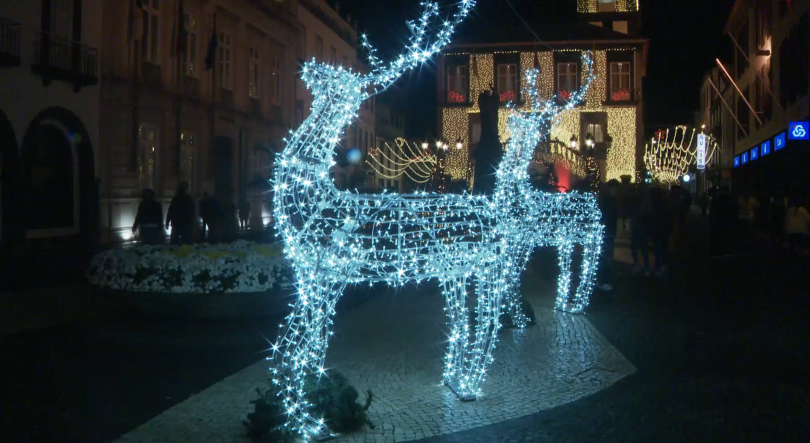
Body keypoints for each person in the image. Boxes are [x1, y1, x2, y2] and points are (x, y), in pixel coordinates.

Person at [596, 179, 620, 290]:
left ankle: (606, 281)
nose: (614, 190)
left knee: (606, 256)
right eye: (613, 188)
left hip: (608, 231)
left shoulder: (611, 200)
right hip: (605, 231)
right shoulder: (608, 201)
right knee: (605, 256)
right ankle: (604, 281)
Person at [630, 184, 653, 276]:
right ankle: (645, 267)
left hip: (640, 226)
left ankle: (638, 265)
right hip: (642, 226)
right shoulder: (646, 203)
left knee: (637, 247)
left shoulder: (636, 202)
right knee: (643, 248)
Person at [651, 187, 675, 276]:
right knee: (663, 248)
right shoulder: (666, 203)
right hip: (663, 229)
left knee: (658, 249)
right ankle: (663, 266)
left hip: (658, 229)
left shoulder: (655, 204)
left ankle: (660, 266)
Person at [166, 181, 196, 245]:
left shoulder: (176, 198)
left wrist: (168, 221)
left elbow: (171, 211)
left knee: (175, 242)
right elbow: (192, 212)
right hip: (184, 223)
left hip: (178, 223)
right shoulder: (188, 198)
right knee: (186, 241)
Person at [710, 186, 737, 256]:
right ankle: (725, 249)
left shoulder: (717, 199)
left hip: (720, 219)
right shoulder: (730, 199)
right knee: (725, 234)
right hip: (725, 219)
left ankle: (717, 250)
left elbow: (713, 210)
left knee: (719, 234)